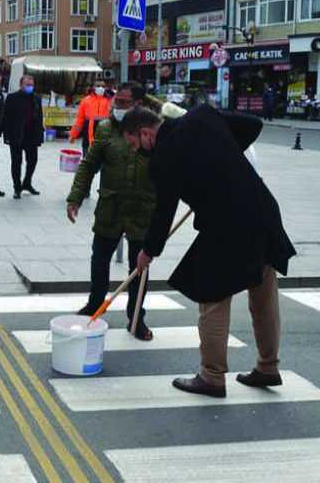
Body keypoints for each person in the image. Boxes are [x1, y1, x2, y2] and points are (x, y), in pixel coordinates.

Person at [121, 104, 296, 398]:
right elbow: (253, 125)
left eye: (135, 145)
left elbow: (163, 213)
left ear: (145, 133)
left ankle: (211, 376)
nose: (137, 151)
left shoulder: (161, 159)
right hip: (260, 208)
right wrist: (224, 160)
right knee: (264, 292)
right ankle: (268, 366)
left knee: (212, 297)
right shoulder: (202, 115)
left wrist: (148, 252)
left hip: (227, 224)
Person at [66, 82, 156, 340]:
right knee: (99, 259)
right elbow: (89, 165)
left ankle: (136, 317)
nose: (117, 106)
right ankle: (95, 304)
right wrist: (75, 197)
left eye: (124, 103)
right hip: (111, 207)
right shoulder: (106, 129)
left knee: (139, 268)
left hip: (142, 209)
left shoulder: (151, 132)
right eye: (116, 101)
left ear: (138, 104)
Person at [3, 75, 44, 199]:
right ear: (21, 85)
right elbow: (6, 118)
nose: (29, 87)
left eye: (31, 85)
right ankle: (17, 188)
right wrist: (7, 136)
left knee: (32, 161)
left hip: (32, 135)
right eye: (27, 85)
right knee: (16, 162)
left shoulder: (36, 98)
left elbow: (39, 116)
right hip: (16, 134)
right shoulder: (12, 98)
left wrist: (40, 134)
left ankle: (27, 182)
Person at [69, 79, 111, 152]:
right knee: (87, 156)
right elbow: (80, 120)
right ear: (93, 87)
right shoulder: (86, 101)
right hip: (88, 134)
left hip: (105, 133)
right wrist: (73, 135)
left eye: (103, 86)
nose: (101, 88)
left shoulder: (110, 101)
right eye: (98, 86)